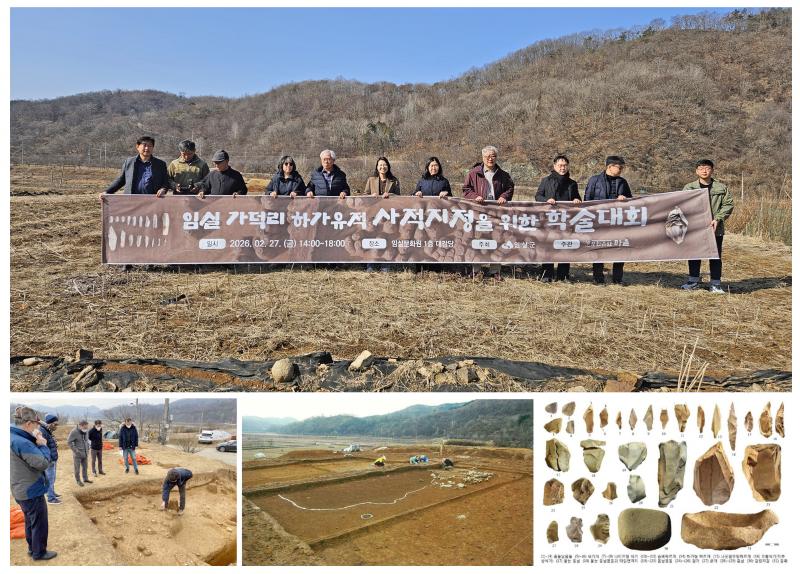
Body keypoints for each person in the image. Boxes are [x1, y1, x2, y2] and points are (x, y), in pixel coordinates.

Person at [680, 159, 734, 294]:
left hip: (715, 228)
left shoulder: (721, 188)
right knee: (694, 254)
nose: (704, 171)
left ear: (712, 170)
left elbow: (728, 204)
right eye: (701, 168)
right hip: (695, 228)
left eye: (707, 168)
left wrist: (718, 218)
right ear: (696, 171)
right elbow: (682, 204)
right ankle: (693, 281)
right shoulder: (689, 188)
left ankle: (715, 284)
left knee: (715, 256)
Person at [10, 406, 57, 561]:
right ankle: (39, 552)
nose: (38, 427)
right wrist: (42, 444)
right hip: (31, 490)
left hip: (20, 489)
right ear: (28, 423)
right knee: (39, 523)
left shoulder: (11, 435)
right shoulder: (23, 442)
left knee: (30, 521)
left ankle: (32, 548)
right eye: (36, 424)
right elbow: (42, 463)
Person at [463, 145, 515, 279]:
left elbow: (510, 188)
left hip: (496, 212)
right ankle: (476, 270)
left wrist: (504, 196)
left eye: (493, 156)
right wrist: (475, 196)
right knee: (477, 239)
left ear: (496, 158)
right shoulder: (473, 173)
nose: (490, 159)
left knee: (497, 239)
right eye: (487, 156)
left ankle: (495, 270)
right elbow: (466, 189)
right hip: (478, 211)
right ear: (482, 157)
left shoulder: (503, 175)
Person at [583, 155, 633, 284]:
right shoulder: (594, 180)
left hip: (618, 221)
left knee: (620, 248)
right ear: (610, 167)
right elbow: (587, 200)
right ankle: (598, 278)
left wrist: (625, 199)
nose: (621, 170)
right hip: (599, 221)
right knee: (599, 248)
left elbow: (631, 201)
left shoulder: (623, 182)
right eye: (619, 167)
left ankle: (618, 278)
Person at [536, 154, 582, 282]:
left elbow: (577, 198)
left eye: (565, 165)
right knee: (548, 246)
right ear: (554, 166)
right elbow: (538, 196)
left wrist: (576, 199)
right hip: (549, 219)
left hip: (566, 220)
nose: (563, 168)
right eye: (560, 165)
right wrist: (546, 200)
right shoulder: (546, 181)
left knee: (565, 246)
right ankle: (547, 274)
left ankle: (563, 275)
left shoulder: (572, 183)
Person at [104, 136, 170, 196]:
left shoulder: (160, 164)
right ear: (137, 146)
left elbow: (165, 182)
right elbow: (120, 180)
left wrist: (163, 189)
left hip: (153, 201)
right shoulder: (129, 162)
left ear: (153, 148)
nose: (147, 148)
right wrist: (107, 191)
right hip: (132, 200)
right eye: (144, 145)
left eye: (150, 146)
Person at [38, 415, 61, 504]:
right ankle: (51, 498)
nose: (56, 426)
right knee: (50, 479)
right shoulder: (43, 431)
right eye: (55, 424)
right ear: (50, 423)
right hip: (49, 460)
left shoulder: (48, 430)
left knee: (52, 478)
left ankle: (52, 493)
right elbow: (43, 446)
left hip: (53, 458)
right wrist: (49, 458)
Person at [67, 420, 92, 487]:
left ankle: (85, 479)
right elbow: (69, 442)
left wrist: (88, 447)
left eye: (87, 427)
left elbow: (87, 440)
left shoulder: (86, 431)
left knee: (85, 467)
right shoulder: (74, 432)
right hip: (77, 455)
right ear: (80, 425)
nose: (86, 429)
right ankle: (78, 480)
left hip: (85, 453)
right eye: (85, 427)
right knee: (77, 469)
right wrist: (75, 450)